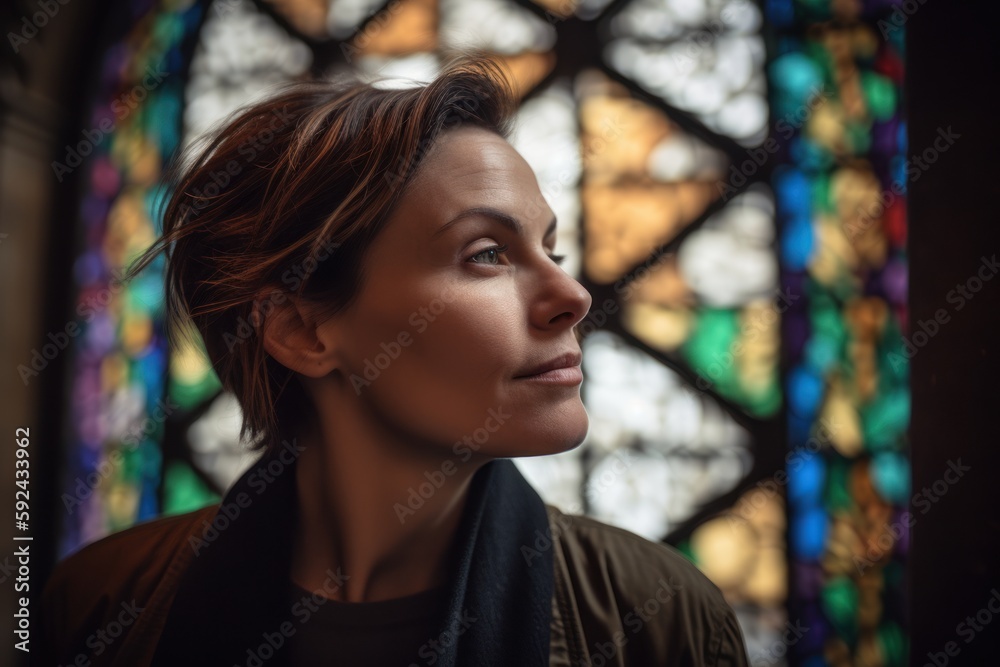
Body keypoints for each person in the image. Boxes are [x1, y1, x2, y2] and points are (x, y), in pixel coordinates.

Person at [37, 54, 751, 667]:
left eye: (550, 249)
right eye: (488, 255)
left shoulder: (660, 623)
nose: (572, 294)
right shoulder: (97, 609)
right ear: (300, 330)